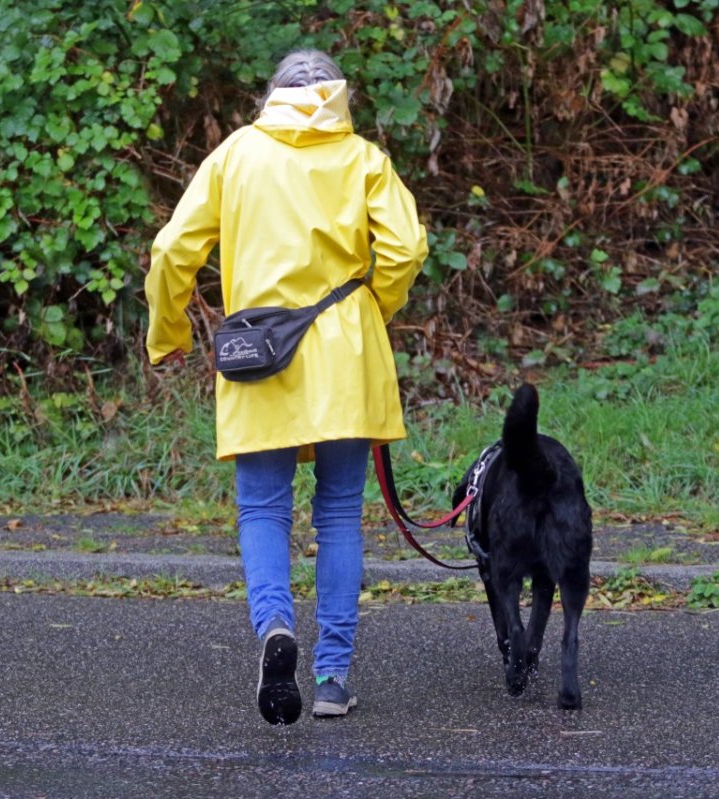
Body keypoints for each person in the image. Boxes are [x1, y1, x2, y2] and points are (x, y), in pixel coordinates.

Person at [144, 49, 427, 725]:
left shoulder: (236, 155)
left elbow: (171, 249)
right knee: (337, 514)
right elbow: (407, 247)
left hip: (257, 353)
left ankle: (275, 628)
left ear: (272, 95)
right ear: (337, 96)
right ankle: (331, 676)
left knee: (263, 508)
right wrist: (372, 311)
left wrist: (169, 332)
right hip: (347, 360)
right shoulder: (363, 159)